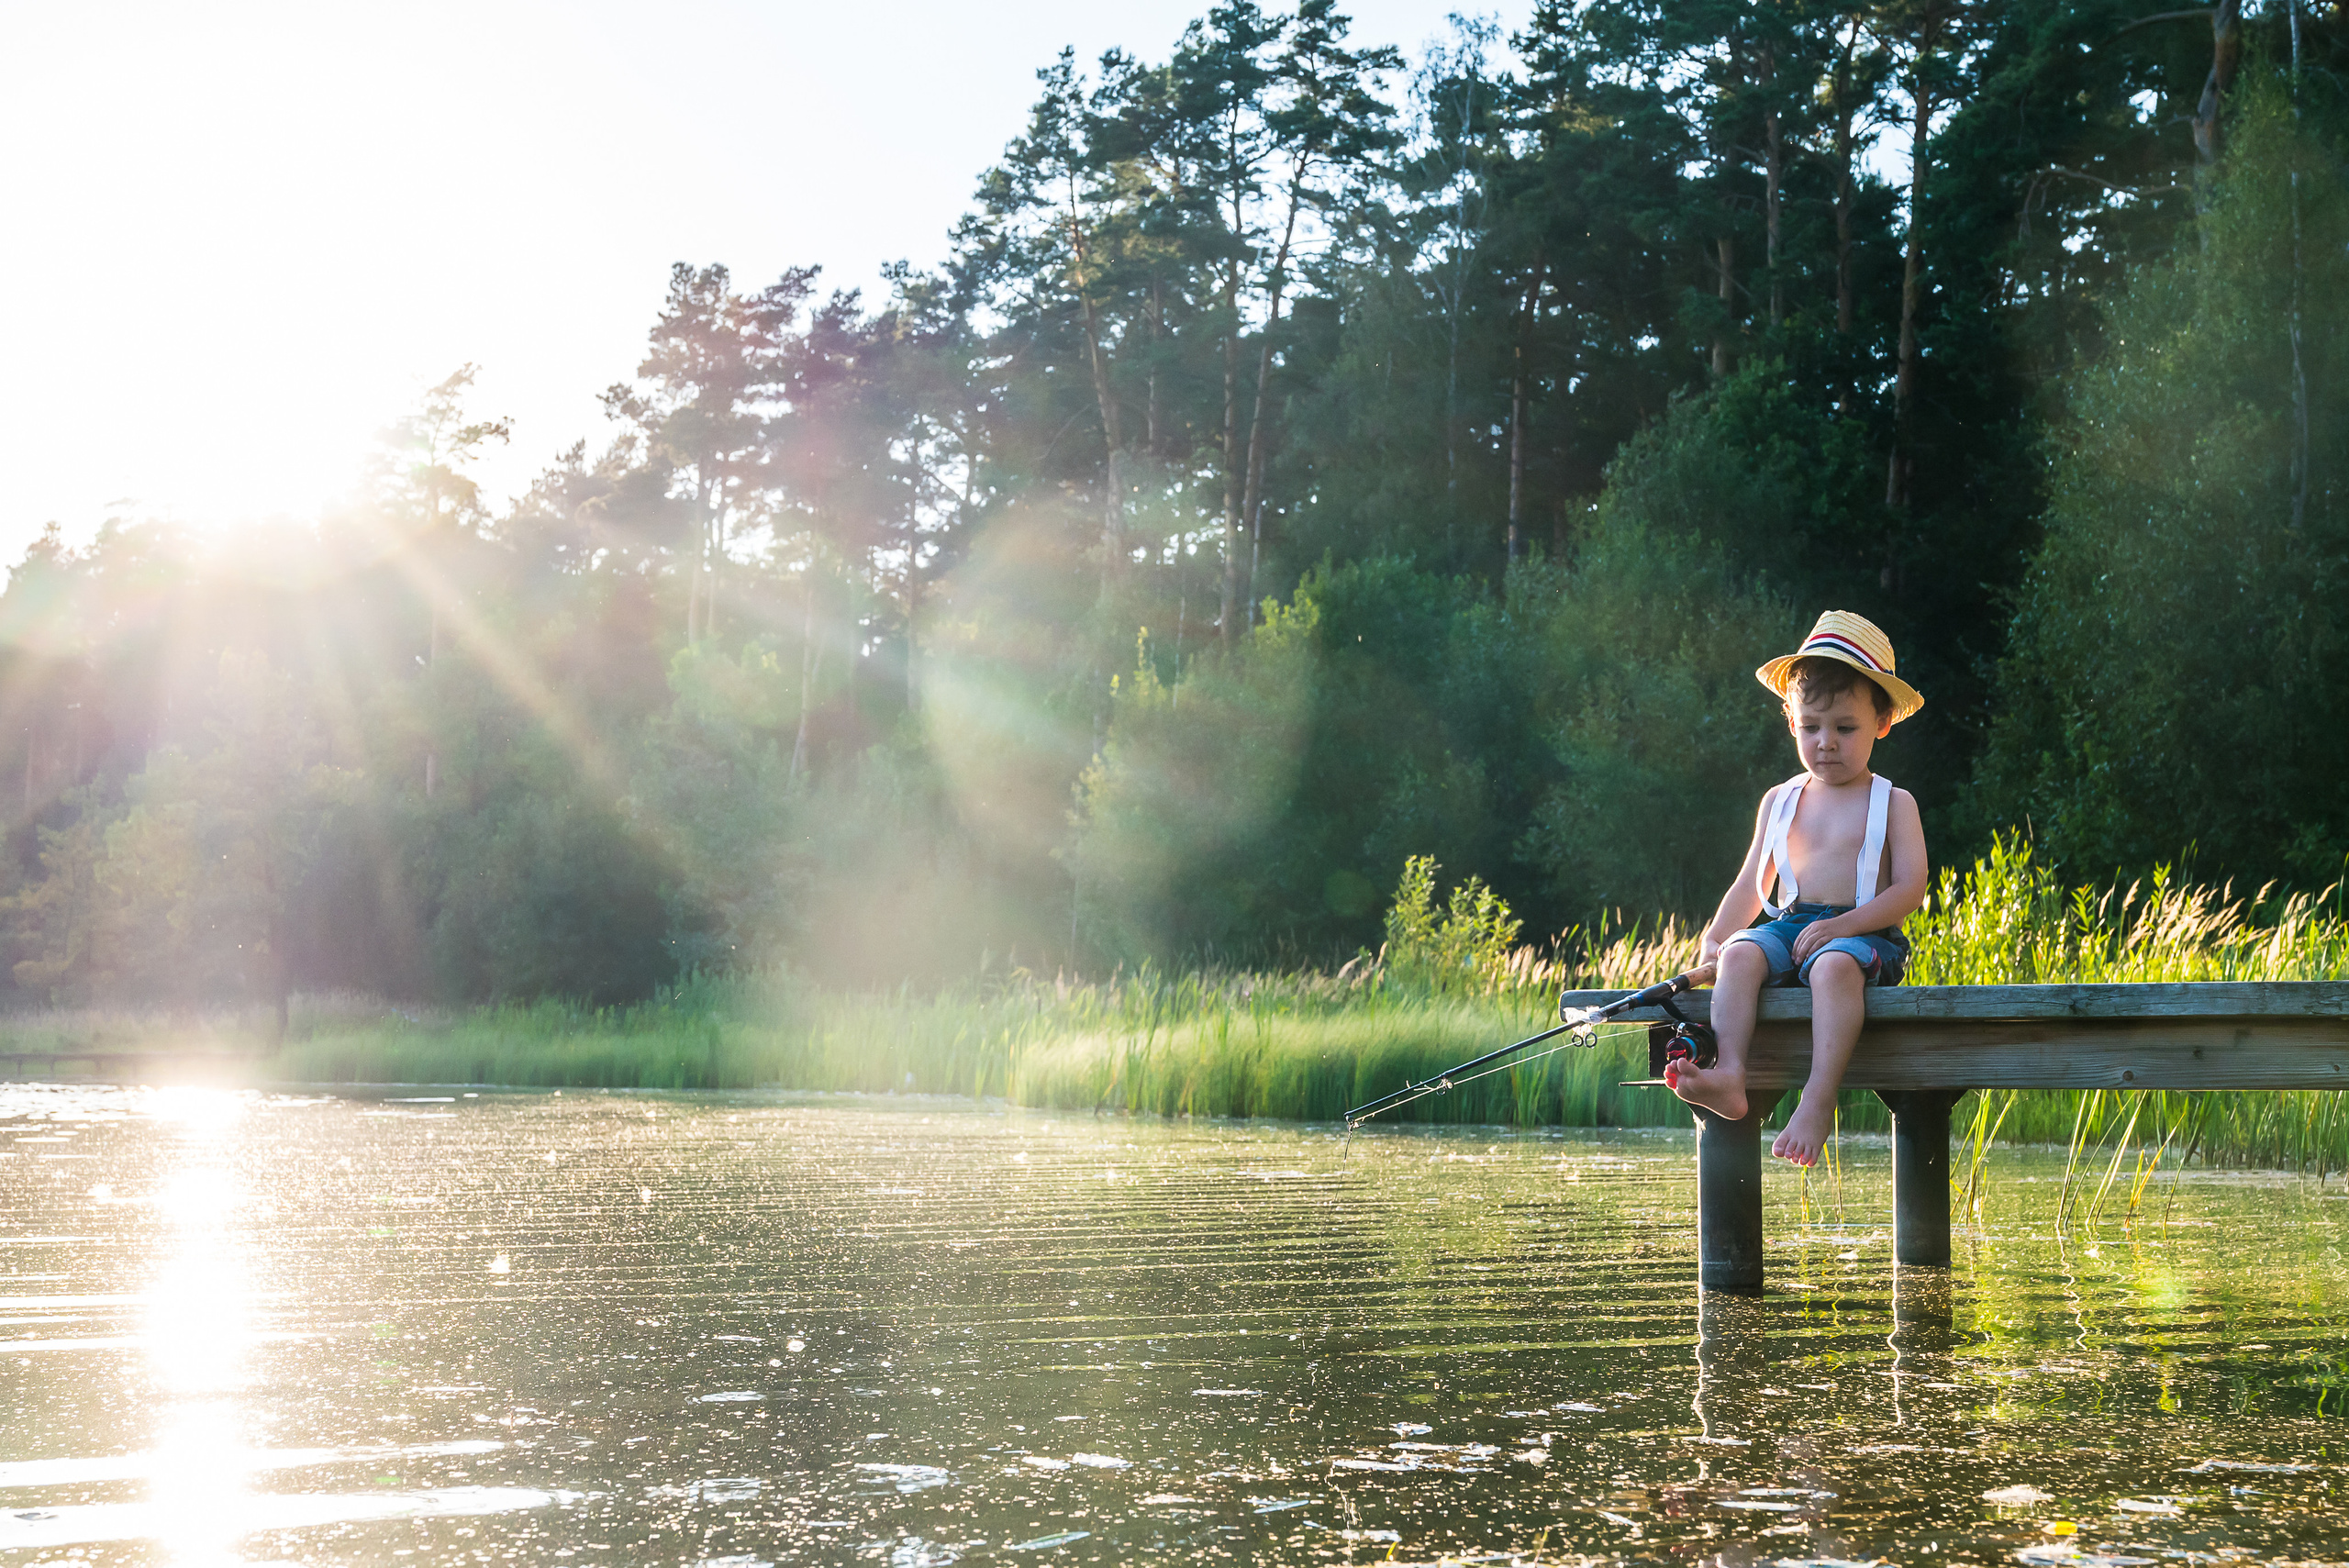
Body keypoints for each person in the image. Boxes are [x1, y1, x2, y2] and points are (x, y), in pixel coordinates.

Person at [1665, 611, 1930, 1167]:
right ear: (1791, 722)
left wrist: (1843, 927)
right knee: (1740, 953)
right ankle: (1731, 1072)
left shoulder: (1893, 802)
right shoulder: (1781, 800)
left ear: (1882, 722)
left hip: (1863, 935)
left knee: (1834, 967)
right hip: (1791, 924)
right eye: (1811, 727)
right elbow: (1751, 882)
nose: (1826, 743)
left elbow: (1909, 890)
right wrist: (1717, 937)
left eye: (1844, 728)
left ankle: (1817, 1098)